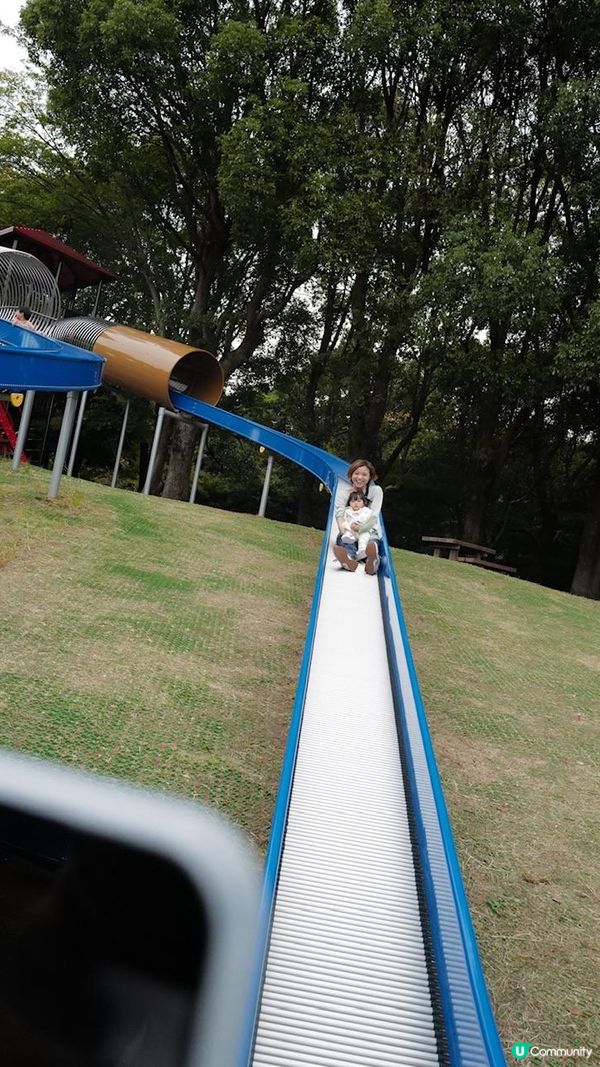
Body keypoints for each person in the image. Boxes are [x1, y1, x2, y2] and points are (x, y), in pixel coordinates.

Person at [333, 459, 383, 575]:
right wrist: (343, 529)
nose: (360, 477)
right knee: (344, 539)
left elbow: (374, 515)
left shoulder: (376, 491)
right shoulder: (343, 493)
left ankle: (372, 561)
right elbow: (339, 513)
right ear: (351, 474)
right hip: (350, 531)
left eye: (364, 474)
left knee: (372, 543)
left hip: (368, 531)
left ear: (370, 477)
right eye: (356, 473)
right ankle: (349, 559)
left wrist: (361, 528)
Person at [340, 490, 373, 558]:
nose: (355, 503)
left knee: (363, 538)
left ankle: (362, 551)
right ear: (349, 503)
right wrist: (346, 525)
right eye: (353, 501)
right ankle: (349, 539)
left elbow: (366, 518)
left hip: (362, 530)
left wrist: (358, 522)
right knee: (346, 529)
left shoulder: (366, 510)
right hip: (352, 531)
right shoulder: (348, 511)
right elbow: (345, 520)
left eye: (358, 501)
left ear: (364, 503)